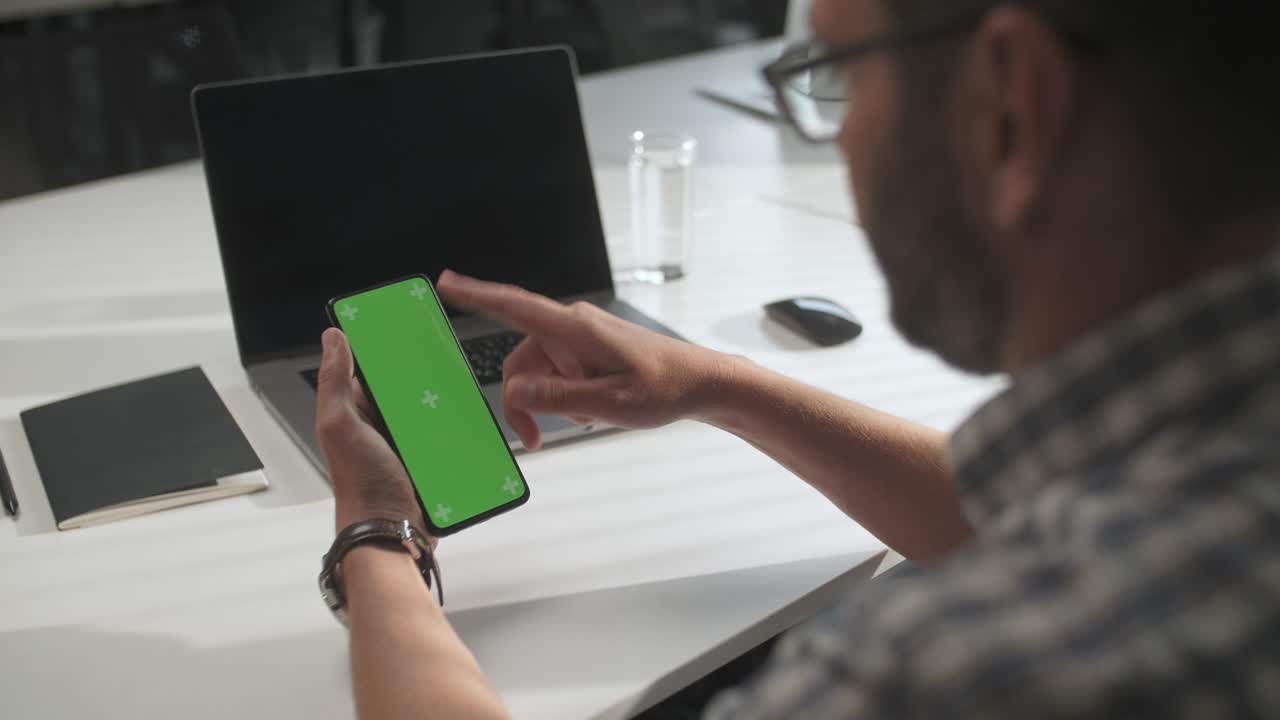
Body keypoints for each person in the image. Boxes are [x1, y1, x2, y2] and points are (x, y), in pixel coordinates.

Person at [313, 0, 1280, 716]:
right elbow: (1014, 508)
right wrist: (716, 384)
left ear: (1012, 110)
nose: (843, 135)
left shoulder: (951, 671)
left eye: (843, 79)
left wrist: (376, 536)